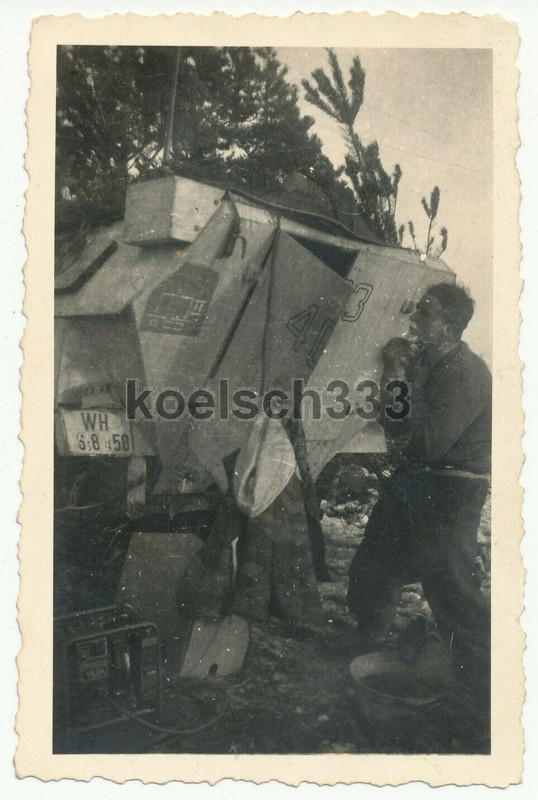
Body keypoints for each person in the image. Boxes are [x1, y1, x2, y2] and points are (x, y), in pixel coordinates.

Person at [327, 282, 492, 732]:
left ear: (449, 326)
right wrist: (396, 374)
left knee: (450, 581)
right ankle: (369, 631)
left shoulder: (467, 373)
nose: (415, 318)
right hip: (417, 478)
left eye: (426, 312)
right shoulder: (424, 363)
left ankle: (482, 680)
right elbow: (395, 421)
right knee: (376, 556)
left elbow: (427, 442)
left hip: (453, 486)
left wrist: (398, 380)